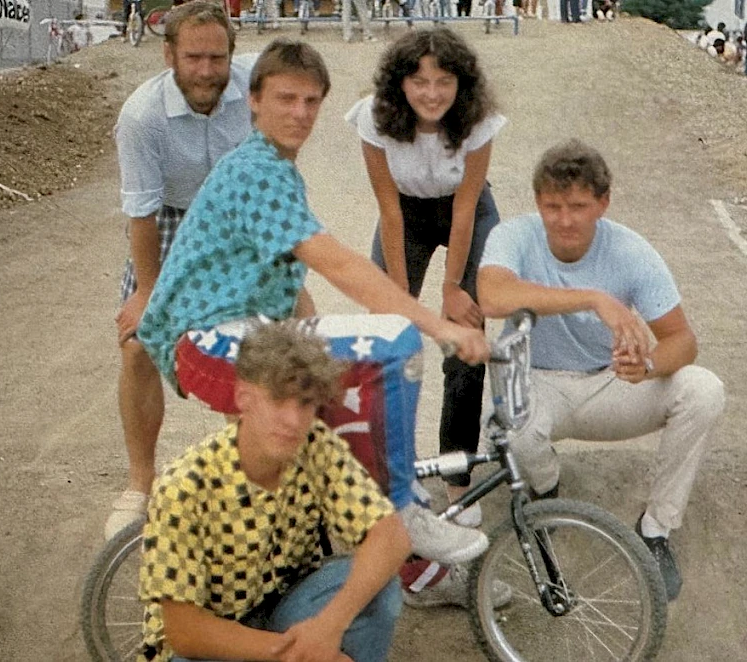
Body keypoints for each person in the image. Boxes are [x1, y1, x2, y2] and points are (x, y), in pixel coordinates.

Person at [137, 39, 492, 567]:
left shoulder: (277, 170)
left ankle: (410, 573)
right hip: (209, 342)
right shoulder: (256, 171)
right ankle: (402, 510)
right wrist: (440, 327)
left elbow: (290, 287)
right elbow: (338, 263)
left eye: (311, 101)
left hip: (240, 337)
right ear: (254, 100)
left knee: (347, 404)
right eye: (285, 98)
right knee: (396, 340)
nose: (299, 113)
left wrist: (327, 345)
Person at [476, 140, 726, 601]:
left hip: (608, 383)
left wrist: (647, 365)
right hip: (538, 384)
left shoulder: (631, 250)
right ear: (537, 202)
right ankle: (547, 496)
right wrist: (595, 298)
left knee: (704, 390)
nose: (565, 220)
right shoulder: (514, 235)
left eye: (578, 206)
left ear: (602, 204)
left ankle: (655, 530)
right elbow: (491, 296)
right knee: (513, 427)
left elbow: (683, 340)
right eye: (553, 206)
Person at [137, 321, 411, 662]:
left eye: (306, 404)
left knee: (380, 587)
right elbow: (186, 632)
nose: (293, 421)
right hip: (211, 639)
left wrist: (328, 628)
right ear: (244, 398)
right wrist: (296, 653)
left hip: (281, 606)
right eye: (279, 400)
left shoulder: (313, 444)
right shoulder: (185, 484)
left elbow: (391, 537)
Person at [345, 28, 506, 529]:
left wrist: (452, 288)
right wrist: (399, 299)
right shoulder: (374, 117)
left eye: (443, 81)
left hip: (467, 211)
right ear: (400, 84)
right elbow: (388, 211)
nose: (431, 93)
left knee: (466, 338)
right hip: (406, 216)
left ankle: (456, 473)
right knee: (387, 337)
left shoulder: (477, 120)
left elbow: (464, 211)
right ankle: (392, 469)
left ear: (462, 83)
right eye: (419, 81)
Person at [107, 1, 256, 540]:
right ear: (168, 54)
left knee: (255, 348)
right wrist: (147, 291)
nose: (206, 70)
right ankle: (140, 483)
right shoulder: (142, 115)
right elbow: (141, 213)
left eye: (217, 57)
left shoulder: (256, 90)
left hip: (236, 217)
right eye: (193, 57)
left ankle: (250, 479)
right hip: (168, 215)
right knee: (139, 345)